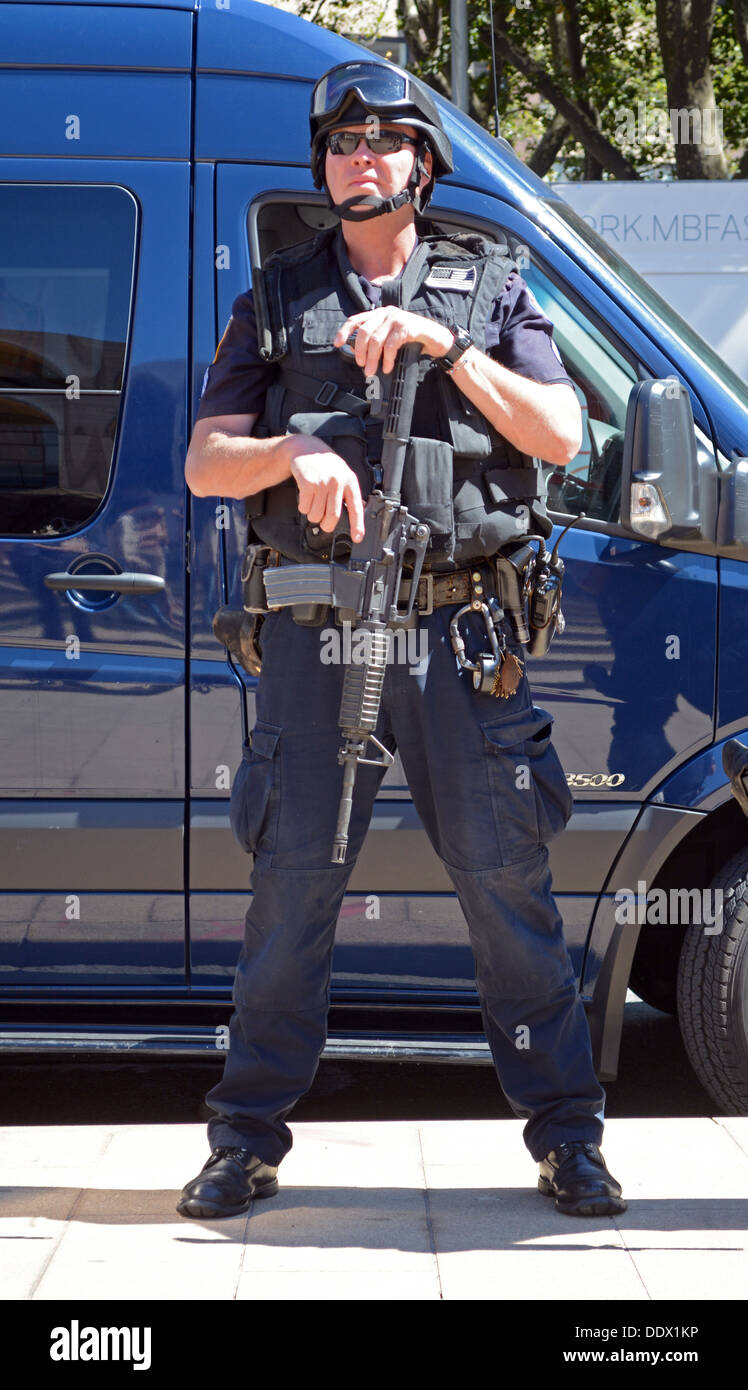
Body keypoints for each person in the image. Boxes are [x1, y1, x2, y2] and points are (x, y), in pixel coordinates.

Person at [178, 60, 627, 1221]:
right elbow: (203, 460)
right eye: (340, 143)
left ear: (420, 165)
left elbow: (562, 432)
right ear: (324, 166)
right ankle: (245, 1138)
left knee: (503, 887)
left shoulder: (490, 290)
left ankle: (567, 1136)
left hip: (461, 636)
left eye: (383, 141)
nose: (359, 159)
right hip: (316, 635)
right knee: (291, 894)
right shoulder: (276, 301)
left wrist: (446, 349)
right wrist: (291, 454)